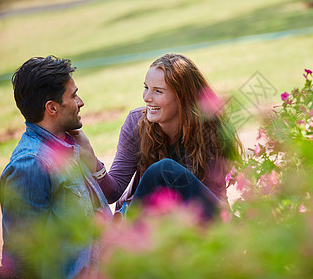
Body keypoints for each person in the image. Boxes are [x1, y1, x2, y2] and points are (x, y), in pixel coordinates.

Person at [75, 53, 242, 219]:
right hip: (140, 219)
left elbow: (212, 197)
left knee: (168, 174)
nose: (147, 98)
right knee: (162, 170)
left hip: (186, 219)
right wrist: (91, 159)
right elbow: (113, 192)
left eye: (158, 91)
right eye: (146, 87)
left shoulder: (211, 129)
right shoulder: (136, 123)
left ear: (182, 97)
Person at [0, 56, 112, 278]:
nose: (80, 102)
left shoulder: (68, 144)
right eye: (73, 95)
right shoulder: (31, 164)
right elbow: (20, 256)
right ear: (52, 108)